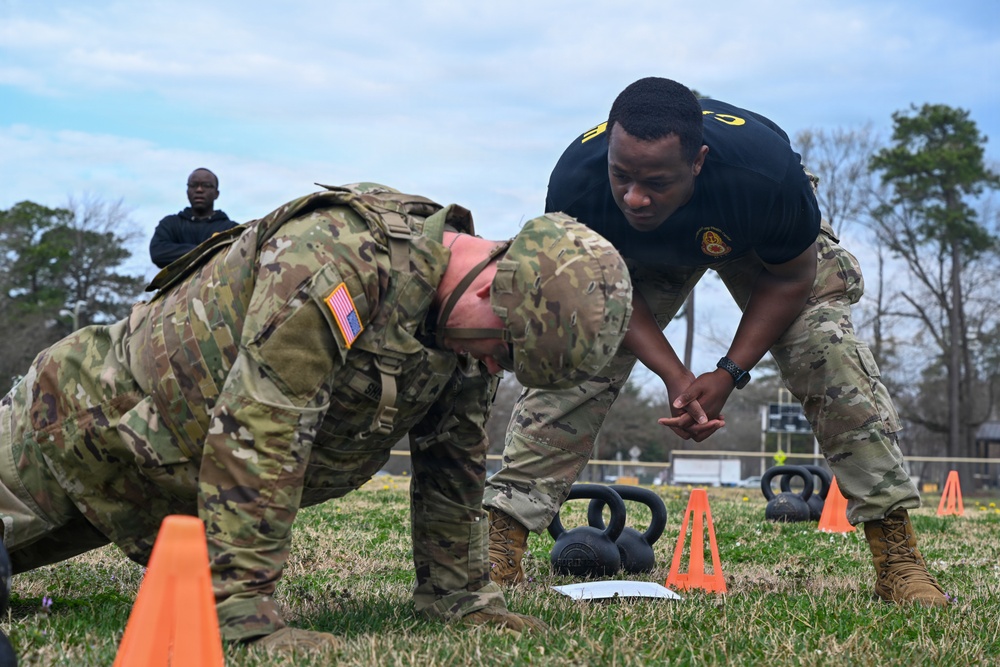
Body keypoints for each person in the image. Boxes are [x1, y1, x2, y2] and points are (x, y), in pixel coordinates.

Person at [0, 182, 633, 651]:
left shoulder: (459, 337)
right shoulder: (338, 255)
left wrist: (461, 597)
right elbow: (265, 424)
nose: (496, 367)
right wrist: (243, 613)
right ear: (490, 288)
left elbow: (454, 464)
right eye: (504, 350)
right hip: (79, 427)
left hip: (160, 485)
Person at [485, 77, 948, 607]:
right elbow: (600, 291)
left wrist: (728, 373)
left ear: (698, 162)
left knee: (828, 353)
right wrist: (674, 373)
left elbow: (791, 278)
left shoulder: (766, 177)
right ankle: (502, 543)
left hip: (758, 243)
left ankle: (898, 558)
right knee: (575, 351)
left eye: (656, 181)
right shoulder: (577, 183)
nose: (635, 197)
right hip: (636, 260)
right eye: (622, 176)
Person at [149, 167, 239, 268]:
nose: (199, 189)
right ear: (187, 191)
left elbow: (238, 258)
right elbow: (158, 253)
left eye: (206, 185)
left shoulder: (232, 229)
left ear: (216, 194)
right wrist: (208, 250)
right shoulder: (170, 224)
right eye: (193, 185)